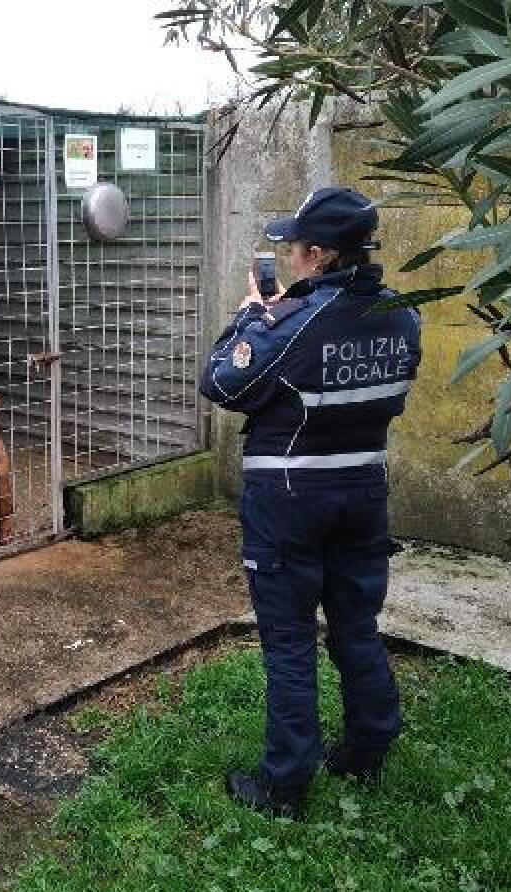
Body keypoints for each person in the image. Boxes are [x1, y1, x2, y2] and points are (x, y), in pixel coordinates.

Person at [199, 187, 422, 818]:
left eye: (294, 246)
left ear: (318, 255)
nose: (289, 257)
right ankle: (367, 749)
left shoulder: (295, 322)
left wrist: (252, 317)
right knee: (357, 628)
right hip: (363, 494)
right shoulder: (404, 316)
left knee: (289, 641)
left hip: (290, 500)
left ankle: (285, 785)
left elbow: (221, 382)